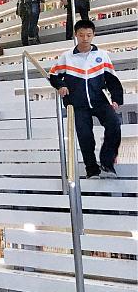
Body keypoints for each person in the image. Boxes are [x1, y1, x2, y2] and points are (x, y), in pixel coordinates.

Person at [49, 20, 123, 179]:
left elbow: (111, 79)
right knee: (85, 136)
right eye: (81, 35)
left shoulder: (101, 55)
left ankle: (107, 162)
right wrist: (60, 86)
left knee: (114, 124)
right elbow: (53, 75)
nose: (85, 38)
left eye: (88, 35)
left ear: (93, 35)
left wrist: (116, 98)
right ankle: (92, 169)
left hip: (99, 100)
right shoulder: (66, 57)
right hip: (77, 103)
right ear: (76, 35)